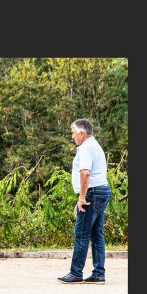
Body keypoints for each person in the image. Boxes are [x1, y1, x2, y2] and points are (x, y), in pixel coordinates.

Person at [57, 119, 112, 284]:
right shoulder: (95, 145)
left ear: (82, 133)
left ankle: (76, 272)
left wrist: (82, 198)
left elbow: (85, 174)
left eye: (73, 133)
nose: (72, 137)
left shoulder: (86, 148)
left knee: (81, 233)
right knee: (96, 234)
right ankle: (98, 273)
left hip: (93, 192)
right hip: (101, 190)